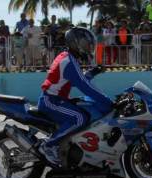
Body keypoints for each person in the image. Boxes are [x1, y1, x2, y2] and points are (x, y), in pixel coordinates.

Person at [37, 27, 114, 167]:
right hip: (51, 101)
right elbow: (84, 86)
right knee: (79, 118)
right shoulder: (69, 62)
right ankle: (49, 145)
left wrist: (92, 73)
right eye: (85, 44)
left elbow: (76, 81)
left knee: (85, 107)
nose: (88, 48)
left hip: (57, 99)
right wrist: (109, 102)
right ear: (75, 44)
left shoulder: (67, 57)